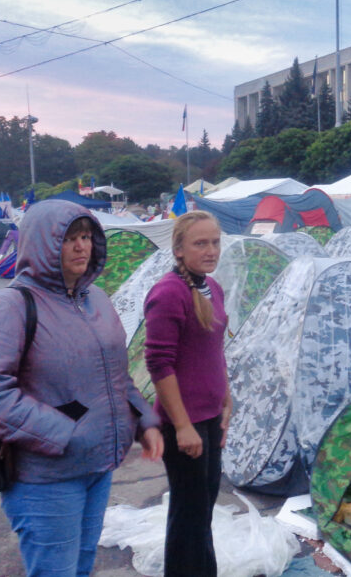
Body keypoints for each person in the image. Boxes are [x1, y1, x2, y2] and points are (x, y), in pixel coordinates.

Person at [0, 199, 163, 577]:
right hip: (45, 479)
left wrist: (144, 421)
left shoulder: (97, 300)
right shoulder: (9, 307)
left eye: (86, 236)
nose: (81, 246)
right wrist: (62, 433)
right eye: (69, 239)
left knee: (82, 566)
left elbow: (116, 375)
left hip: (98, 467)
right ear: (41, 243)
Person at [144, 211, 231, 576]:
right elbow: (159, 363)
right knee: (189, 513)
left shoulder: (212, 287)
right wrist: (181, 426)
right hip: (185, 422)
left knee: (202, 508)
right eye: (200, 243)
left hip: (210, 415)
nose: (211, 250)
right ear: (179, 249)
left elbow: (214, 350)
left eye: (215, 242)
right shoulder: (168, 293)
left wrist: (226, 400)